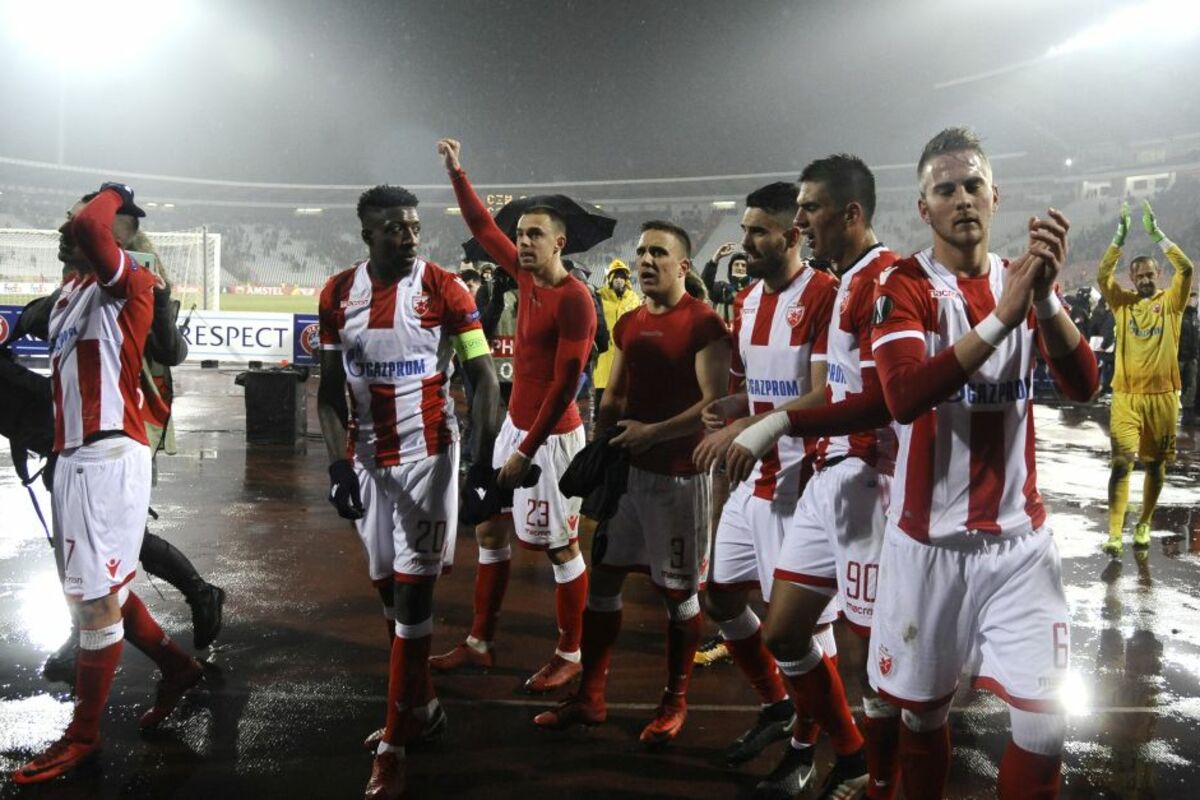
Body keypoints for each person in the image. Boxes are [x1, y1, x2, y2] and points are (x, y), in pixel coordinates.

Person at [866, 127, 1097, 799]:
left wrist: (1043, 299)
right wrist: (1000, 319)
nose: (962, 198)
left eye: (973, 185)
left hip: (1021, 546)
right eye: (945, 189)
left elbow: (1083, 385)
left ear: (996, 197)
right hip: (929, 546)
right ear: (924, 208)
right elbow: (904, 396)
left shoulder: (1021, 282)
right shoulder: (904, 285)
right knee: (923, 716)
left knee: (1046, 728)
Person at [13, 184, 205, 784]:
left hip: (106, 456)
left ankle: (83, 735)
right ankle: (177, 667)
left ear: (115, 234)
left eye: (78, 222)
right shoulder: (72, 293)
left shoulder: (129, 283)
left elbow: (95, 230)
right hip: (77, 455)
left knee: (94, 604)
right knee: (106, 592)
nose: (66, 228)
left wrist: (111, 195)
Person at [724, 154, 902, 800]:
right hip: (830, 476)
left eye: (810, 209)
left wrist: (777, 423)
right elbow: (833, 390)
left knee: (878, 662)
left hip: (871, 485)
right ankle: (842, 754)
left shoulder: (885, 281)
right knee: (784, 632)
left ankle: (875, 776)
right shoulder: (846, 282)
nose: (799, 222)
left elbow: (882, 399)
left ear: (849, 214)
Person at [317, 184, 502, 800]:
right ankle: (423, 708)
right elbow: (328, 392)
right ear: (368, 234)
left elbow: (482, 378)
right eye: (395, 227)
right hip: (367, 462)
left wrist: (481, 467)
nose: (410, 236)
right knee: (390, 598)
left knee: (414, 600)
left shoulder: (447, 290)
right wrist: (337, 465)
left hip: (430, 459)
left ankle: (394, 746)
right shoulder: (337, 294)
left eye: (415, 226)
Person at [533, 220, 729, 744]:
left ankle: (674, 701)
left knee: (679, 595)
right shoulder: (630, 323)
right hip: (630, 477)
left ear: (683, 265)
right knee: (604, 583)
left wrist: (653, 433)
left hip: (680, 479)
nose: (645, 261)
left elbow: (714, 404)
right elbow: (616, 392)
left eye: (658, 253)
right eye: (641, 252)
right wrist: (603, 443)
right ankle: (591, 697)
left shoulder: (705, 323)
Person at [691, 182, 842, 790]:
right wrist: (730, 408)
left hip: (802, 486)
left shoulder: (826, 295)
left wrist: (746, 425)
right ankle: (778, 706)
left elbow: (824, 395)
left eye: (758, 231)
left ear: (792, 236)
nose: (746, 242)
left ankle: (806, 751)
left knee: (803, 634)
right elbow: (755, 391)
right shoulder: (747, 301)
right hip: (753, 480)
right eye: (745, 230)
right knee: (720, 600)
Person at [434, 138, 598, 693]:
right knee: (488, 527)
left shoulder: (576, 299)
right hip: (516, 427)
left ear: (559, 242)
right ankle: (480, 642)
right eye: (521, 234)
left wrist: (526, 450)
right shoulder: (524, 277)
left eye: (534, 235)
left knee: (561, 547)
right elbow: (483, 228)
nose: (523, 242)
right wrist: (457, 172)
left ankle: (570, 652)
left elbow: (566, 383)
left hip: (551, 440)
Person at [1097, 200, 1194, 555]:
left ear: (1158, 275)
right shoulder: (1121, 304)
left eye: (1150, 274)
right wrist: (1118, 240)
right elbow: (1102, 277)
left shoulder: (1171, 303)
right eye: (1139, 276)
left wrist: (1158, 235)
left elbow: (1186, 268)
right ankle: (1114, 533)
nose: (1145, 280)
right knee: (1121, 463)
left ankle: (1144, 522)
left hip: (1163, 397)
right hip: (1126, 396)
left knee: (1155, 466)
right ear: (1132, 278)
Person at [593, 258, 643, 419]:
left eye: (622, 277)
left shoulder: (634, 298)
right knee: (601, 401)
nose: (619, 280)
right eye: (616, 276)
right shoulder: (600, 296)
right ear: (610, 278)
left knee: (624, 400)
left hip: (625, 354)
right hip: (604, 355)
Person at [702, 242, 750, 322]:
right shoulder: (721, 289)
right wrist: (716, 258)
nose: (740, 268)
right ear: (730, 270)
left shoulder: (755, 292)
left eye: (743, 265)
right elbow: (704, 285)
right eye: (736, 265)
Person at [1181, 294, 1199, 426]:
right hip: (1179, 357)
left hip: (1191, 358)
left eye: (1196, 299)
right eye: (1192, 299)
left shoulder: (1194, 316)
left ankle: (1188, 416)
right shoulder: (1180, 315)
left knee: (1191, 386)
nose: (1195, 301)